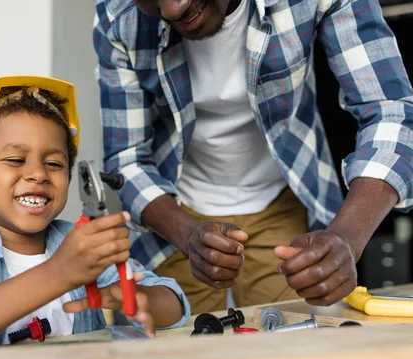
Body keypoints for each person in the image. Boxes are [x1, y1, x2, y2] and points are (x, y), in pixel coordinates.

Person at [93, 0, 413, 313]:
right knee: (181, 357)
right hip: (175, 216)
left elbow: (391, 111)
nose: (172, 10)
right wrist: (187, 232)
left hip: (282, 204)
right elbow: (127, 159)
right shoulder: (117, 15)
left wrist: (347, 235)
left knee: (292, 353)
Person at [0, 76, 190, 355]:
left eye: (55, 164)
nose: (37, 174)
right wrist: (58, 273)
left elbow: (176, 305)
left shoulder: (80, 243)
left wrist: (135, 297)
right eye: (16, 159)